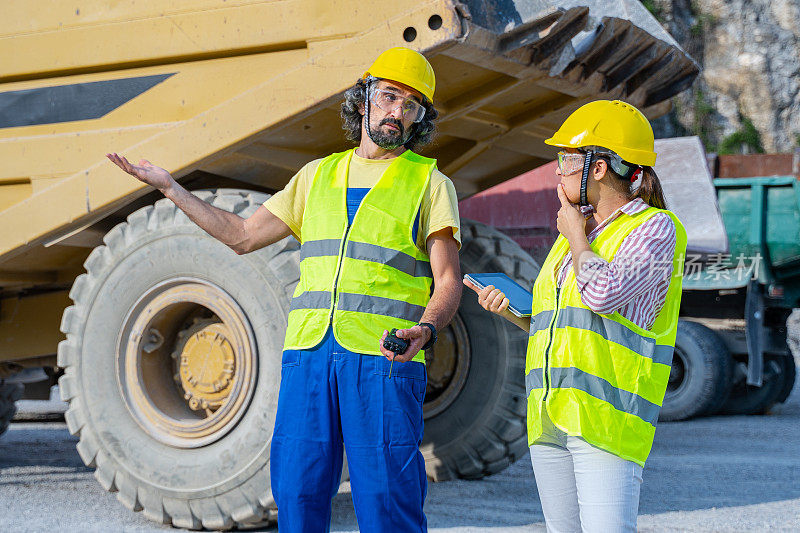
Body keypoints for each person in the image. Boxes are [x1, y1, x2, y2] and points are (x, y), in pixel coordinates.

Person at [107, 47, 462, 532]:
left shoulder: (429, 183)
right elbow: (241, 235)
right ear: (363, 100)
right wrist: (172, 189)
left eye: (410, 106)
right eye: (388, 96)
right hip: (310, 355)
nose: (396, 112)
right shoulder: (315, 177)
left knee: (387, 504)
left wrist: (426, 327)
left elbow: (447, 280)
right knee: (297, 495)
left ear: (419, 119)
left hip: (385, 360)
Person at [464, 100, 687, 532]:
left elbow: (602, 295)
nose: (558, 171)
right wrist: (510, 311)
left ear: (599, 168)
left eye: (566, 159)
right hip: (550, 415)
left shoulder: (656, 228)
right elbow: (558, 325)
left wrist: (577, 239)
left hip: (606, 421)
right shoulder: (576, 231)